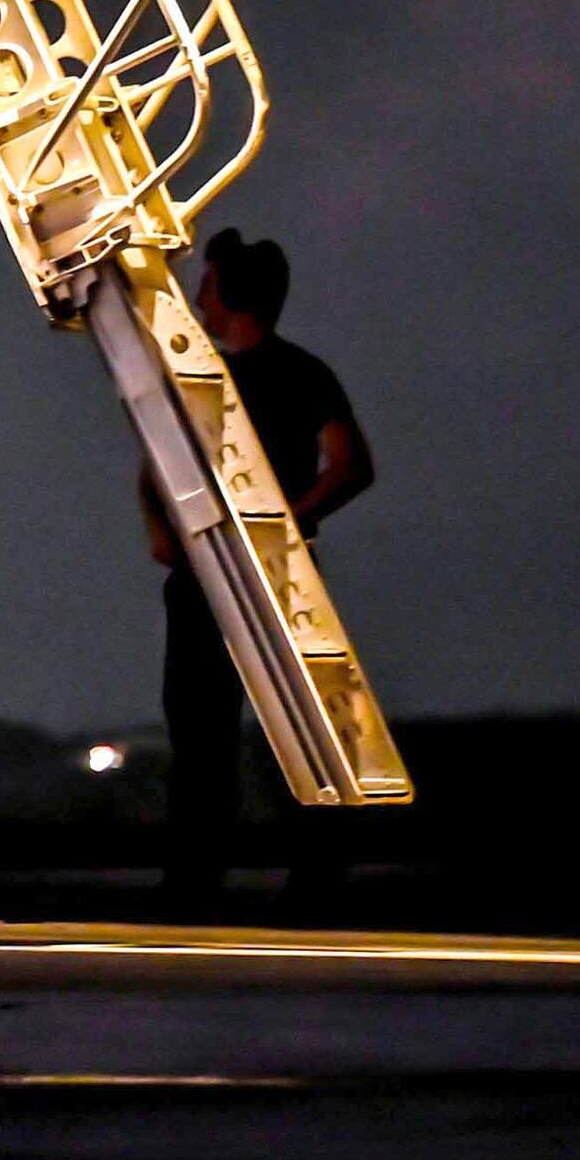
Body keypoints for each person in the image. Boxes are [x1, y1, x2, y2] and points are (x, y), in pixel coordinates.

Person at [143, 226, 375, 905]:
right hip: (216, 579)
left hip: (261, 578)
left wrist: (281, 525)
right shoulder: (218, 377)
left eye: (208, 283)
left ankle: (215, 881)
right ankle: (220, 879)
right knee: (208, 732)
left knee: (260, 733)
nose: (196, 295)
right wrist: (164, 529)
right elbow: (152, 466)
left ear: (231, 294)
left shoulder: (275, 374)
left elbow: (352, 465)